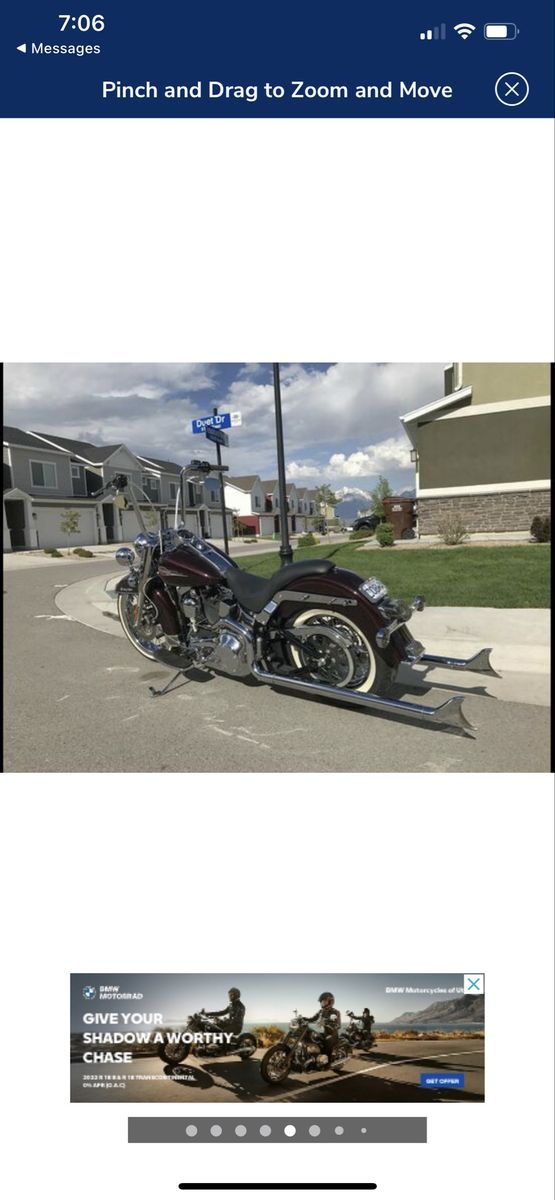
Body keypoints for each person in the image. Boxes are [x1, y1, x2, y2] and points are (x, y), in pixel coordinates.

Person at [306, 991, 341, 1065]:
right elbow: (312, 1019)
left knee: (328, 1039)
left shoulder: (335, 1012)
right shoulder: (320, 1011)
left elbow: (338, 1025)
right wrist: (303, 1018)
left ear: (330, 1002)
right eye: (321, 1002)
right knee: (310, 1036)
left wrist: (329, 1024)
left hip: (331, 1033)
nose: (322, 1003)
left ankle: (328, 1062)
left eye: (324, 1001)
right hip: (321, 1032)